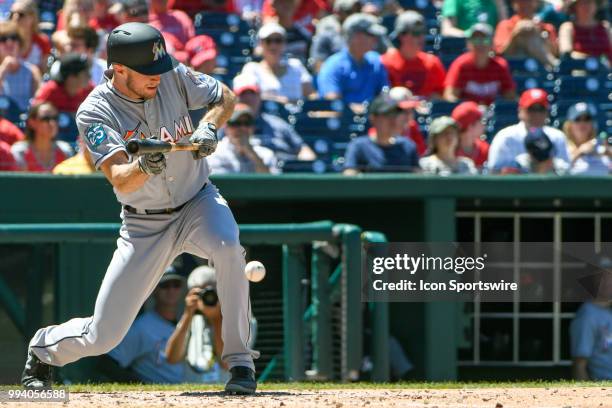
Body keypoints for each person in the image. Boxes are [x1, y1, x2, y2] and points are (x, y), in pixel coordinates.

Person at [21, 23, 259, 395]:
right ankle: (44, 348)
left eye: (158, 69)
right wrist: (145, 166)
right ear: (118, 69)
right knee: (104, 335)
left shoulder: (173, 74)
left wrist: (210, 127)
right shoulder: (95, 110)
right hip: (144, 224)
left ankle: (241, 362)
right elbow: (119, 177)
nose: (157, 78)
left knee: (229, 248)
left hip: (197, 200)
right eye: (147, 73)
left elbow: (224, 96)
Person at [165, 265, 258, 383]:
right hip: (192, 395)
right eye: (202, 293)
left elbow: (228, 364)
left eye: (213, 292)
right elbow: (172, 358)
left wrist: (217, 319)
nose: (208, 297)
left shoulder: (242, 320)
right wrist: (187, 315)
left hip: (230, 393)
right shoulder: (189, 318)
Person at [107, 267, 188, 383]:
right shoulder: (141, 327)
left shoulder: (188, 321)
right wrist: (141, 386)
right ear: (153, 289)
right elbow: (109, 363)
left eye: (176, 285)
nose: (171, 290)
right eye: (165, 285)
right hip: (161, 396)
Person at [233, 73, 316, 161]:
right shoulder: (229, 126)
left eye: (252, 93)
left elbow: (303, 149)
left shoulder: (277, 124)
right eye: (243, 94)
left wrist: (305, 163)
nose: (249, 98)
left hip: (283, 171)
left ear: (260, 96)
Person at [317, 13, 389, 110]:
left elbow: (385, 91)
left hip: (373, 120)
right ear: (356, 36)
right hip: (345, 121)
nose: (376, 40)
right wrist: (352, 108)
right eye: (371, 35)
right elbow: (331, 99)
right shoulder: (333, 65)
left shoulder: (376, 61)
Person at [487, 88, 569, 172]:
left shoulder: (557, 136)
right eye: (531, 109)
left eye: (541, 109)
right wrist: (518, 165)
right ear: (520, 111)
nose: (537, 114)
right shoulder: (506, 137)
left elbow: (566, 171)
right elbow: (494, 172)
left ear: (547, 112)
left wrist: (550, 163)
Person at [343, 92, 419, 174]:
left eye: (395, 115)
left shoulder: (407, 146)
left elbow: (419, 179)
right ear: (373, 118)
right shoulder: (359, 146)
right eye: (387, 115)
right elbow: (349, 177)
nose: (392, 120)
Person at [241, 23, 315, 103]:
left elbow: (310, 94)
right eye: (268, 41)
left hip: (297, 114)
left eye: (278, 40)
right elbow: (248, 98)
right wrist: (279, 100)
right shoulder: (252, 69)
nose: (273, 45)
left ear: (284, 43)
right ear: (260, 44)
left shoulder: (295, 65)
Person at [444, 23, 516, 105]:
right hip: (470, 115)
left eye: (485, 40)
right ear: (469, 44)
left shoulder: (500, 65)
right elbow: (450, 95)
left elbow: (510, 97)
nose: (480, 44)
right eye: (476, 40)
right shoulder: (461, 64)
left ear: (492, 44)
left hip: (492, 115)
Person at [381, 10, 446, 99]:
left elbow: (442, 95)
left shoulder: (432, 63)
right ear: (401, 35)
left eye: (423, 32)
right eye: (416, 33)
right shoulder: (385, 63)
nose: (421, 37)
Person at [570, 255, 612, 380]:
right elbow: (579, 365)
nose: (608, 281)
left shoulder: (608, 311)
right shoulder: (587, 315)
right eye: (602, 276)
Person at [208, 103, 278, 174]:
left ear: (253, 127)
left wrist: (252, 154)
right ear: (225, 126)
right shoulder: (214, 153)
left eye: (247, 123)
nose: (243, 128)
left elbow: (271, 183)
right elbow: (220, 183)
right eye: (236, 123)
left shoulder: (266, 154)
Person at [493, 0, 559, 68]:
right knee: (523, 36)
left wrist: (538, 34)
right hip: (514, 69)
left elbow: (555, 53)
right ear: (513, 4)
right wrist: (515, 35)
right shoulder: (505, 25)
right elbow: (500, 54)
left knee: (534, 35)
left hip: (542, 69)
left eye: (529, 1)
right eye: (521, 1)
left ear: (536, 3)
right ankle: (555, 65)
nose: (525, 4)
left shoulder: (546, 28)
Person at [11, 102, 73, 172]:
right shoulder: (20, 151)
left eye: (55, 118)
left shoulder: (65, 150)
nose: (52, 123)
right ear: (32, 122)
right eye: (45, 119)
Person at [309, 0, 362, 73]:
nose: (353, 15)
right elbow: (318, 59)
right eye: (349, 12)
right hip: (331, 70)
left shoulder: (358, 24)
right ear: (338, 12)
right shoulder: (327, 25)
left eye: (356, 11)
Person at [0, 20, 40, 112]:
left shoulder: (32, 70)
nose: (9, 42)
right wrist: (3, 68)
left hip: (25, 120)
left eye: (13, 38)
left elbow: (39, 99)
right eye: (3, 39)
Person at [564, 102, 610, 175]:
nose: (582, 123)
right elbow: (560, 173)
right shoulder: (562, 146)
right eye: (577, 119)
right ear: (569, 125)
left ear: (592, 124)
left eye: (587, 119)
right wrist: (580, 152)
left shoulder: (601, 146)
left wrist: (609, 154)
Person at [9, 0, 50, 73]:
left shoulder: (42, 41)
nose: (15, 18)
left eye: (21, 14)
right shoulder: (4, 40)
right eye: (12, 14)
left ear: (32, 17)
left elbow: (43, 72)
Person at [451, 101, 489, 168]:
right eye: (480, 120)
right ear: (470, 127)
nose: (483, 124)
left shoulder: (485, 149)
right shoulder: (448, 151)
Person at [441, 0, 508, 37]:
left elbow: (504, 29)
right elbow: (447, 31)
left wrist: (500, 5)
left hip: (492, 51)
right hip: (464, 50)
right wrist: (471, 36)